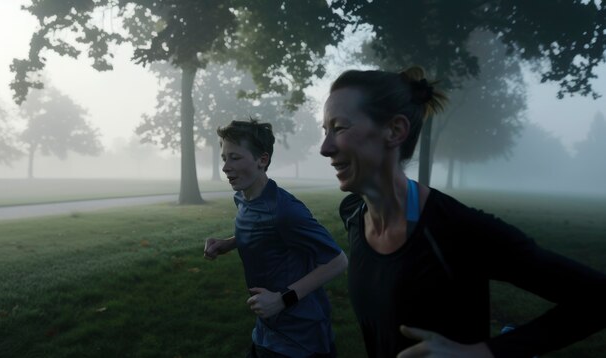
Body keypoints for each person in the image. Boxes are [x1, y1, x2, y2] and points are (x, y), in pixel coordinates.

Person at [319, 66, 606, 358]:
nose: (325, 147)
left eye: (339, 128)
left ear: (395, 131)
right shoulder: (353, 213)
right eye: (325, 130)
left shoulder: (455, 229)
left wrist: (483, 353)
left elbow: (598, 298)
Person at [204, 118, 348, 358]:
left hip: (301, 338)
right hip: (268, 329)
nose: (226, 167)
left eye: (235, 158)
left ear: (262, 160)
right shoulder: (243, 197)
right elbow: (263, 232)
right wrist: (228, 243)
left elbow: (338, 261)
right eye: (224, 158)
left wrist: (282, 299)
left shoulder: (285, 210)